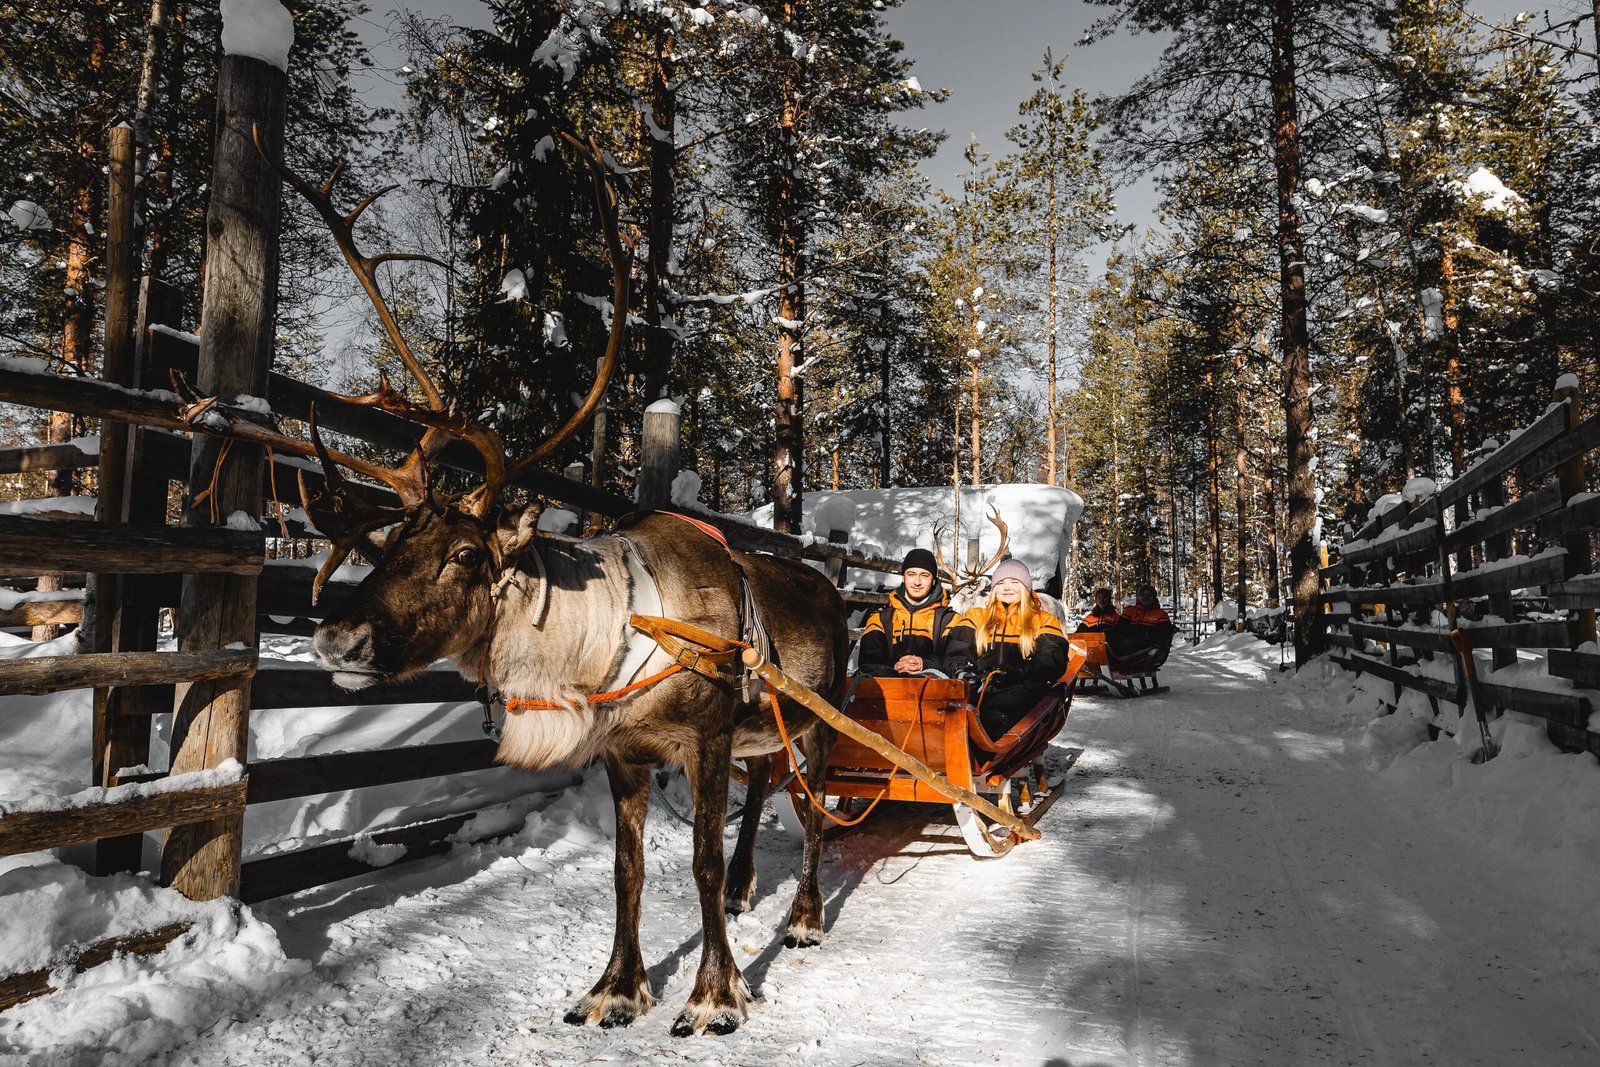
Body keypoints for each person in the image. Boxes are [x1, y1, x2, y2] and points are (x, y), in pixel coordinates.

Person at [943, 558, 1069, 740]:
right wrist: (962, 671)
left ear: (1026, 588)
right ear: (994, 589)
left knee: (997, 709)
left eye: (1015, 582)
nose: (1007, 587)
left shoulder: (1043, 620)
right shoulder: (977, 617)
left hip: (1021, 686)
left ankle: (981, 747)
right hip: (982, 686)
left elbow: (1052, 659)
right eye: (1001, 583)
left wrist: (1019, 672)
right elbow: (957, 651)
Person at [856, 548, 957, 677]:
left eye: (924, 575)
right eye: (911, 574)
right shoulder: (880, 619)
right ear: (903, 577)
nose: (917, 582)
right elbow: (868, 660)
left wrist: (924, 664)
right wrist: (895, 665)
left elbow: (957, 661)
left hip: (934, 691)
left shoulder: (950, 620)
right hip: (888, 692)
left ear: (933, 580)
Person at [1108, 583, 1177, 668]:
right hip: (1128, 640)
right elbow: (1120, 627)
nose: (1145, 598)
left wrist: (1146, 634)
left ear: (1153, 597)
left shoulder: (1160, 614)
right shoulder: (1130, 611)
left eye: (1149, 595)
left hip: (1146, 644)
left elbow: (1163, 632)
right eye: (1143, 595)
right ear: (1139, 597)